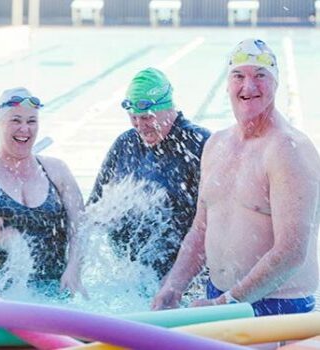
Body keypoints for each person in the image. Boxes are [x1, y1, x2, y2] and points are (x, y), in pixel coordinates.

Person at [152, 39, 320, 316]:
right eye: (239, 76)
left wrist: (224, 306)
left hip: (277, 306)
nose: (248, 87)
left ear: (276, 84)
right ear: (227, 84)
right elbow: (200, 229)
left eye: (260, 76)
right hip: (222, 298)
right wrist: (174, 285)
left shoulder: (289, 150)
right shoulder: (216, 144)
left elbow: (291, 252)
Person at [0, 87, 87, 297]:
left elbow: (81, 226)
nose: (24, 129)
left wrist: (74, 268)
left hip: (54, 290)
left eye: (31, 121)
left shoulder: (57, 170)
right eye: (15, 121)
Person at [87, 68, 210, 279]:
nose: (140, 126)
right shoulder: (125, 144)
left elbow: (220, 222)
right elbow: (93, 208)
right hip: (131, 278)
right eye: (133, 118)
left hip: (184, 281)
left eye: (146, 118)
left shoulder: (199, 144)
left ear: (167, 108)